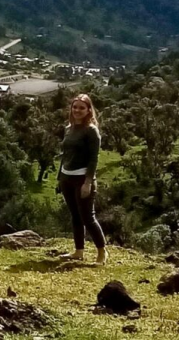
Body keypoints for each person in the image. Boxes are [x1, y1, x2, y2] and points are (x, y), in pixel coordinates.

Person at [56, 93, 107, 265]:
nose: (77, 110)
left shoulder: (91, 131)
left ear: (88, 110)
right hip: (66, 177)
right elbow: (66, 155)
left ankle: (102, 252)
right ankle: (78, 251)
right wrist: (59, 178)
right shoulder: (68, 128)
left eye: (82, 108)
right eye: (75, 107)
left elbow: (94, 159)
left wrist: (88, 182)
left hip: (82, 179)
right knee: (75, 216)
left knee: (88, 217)